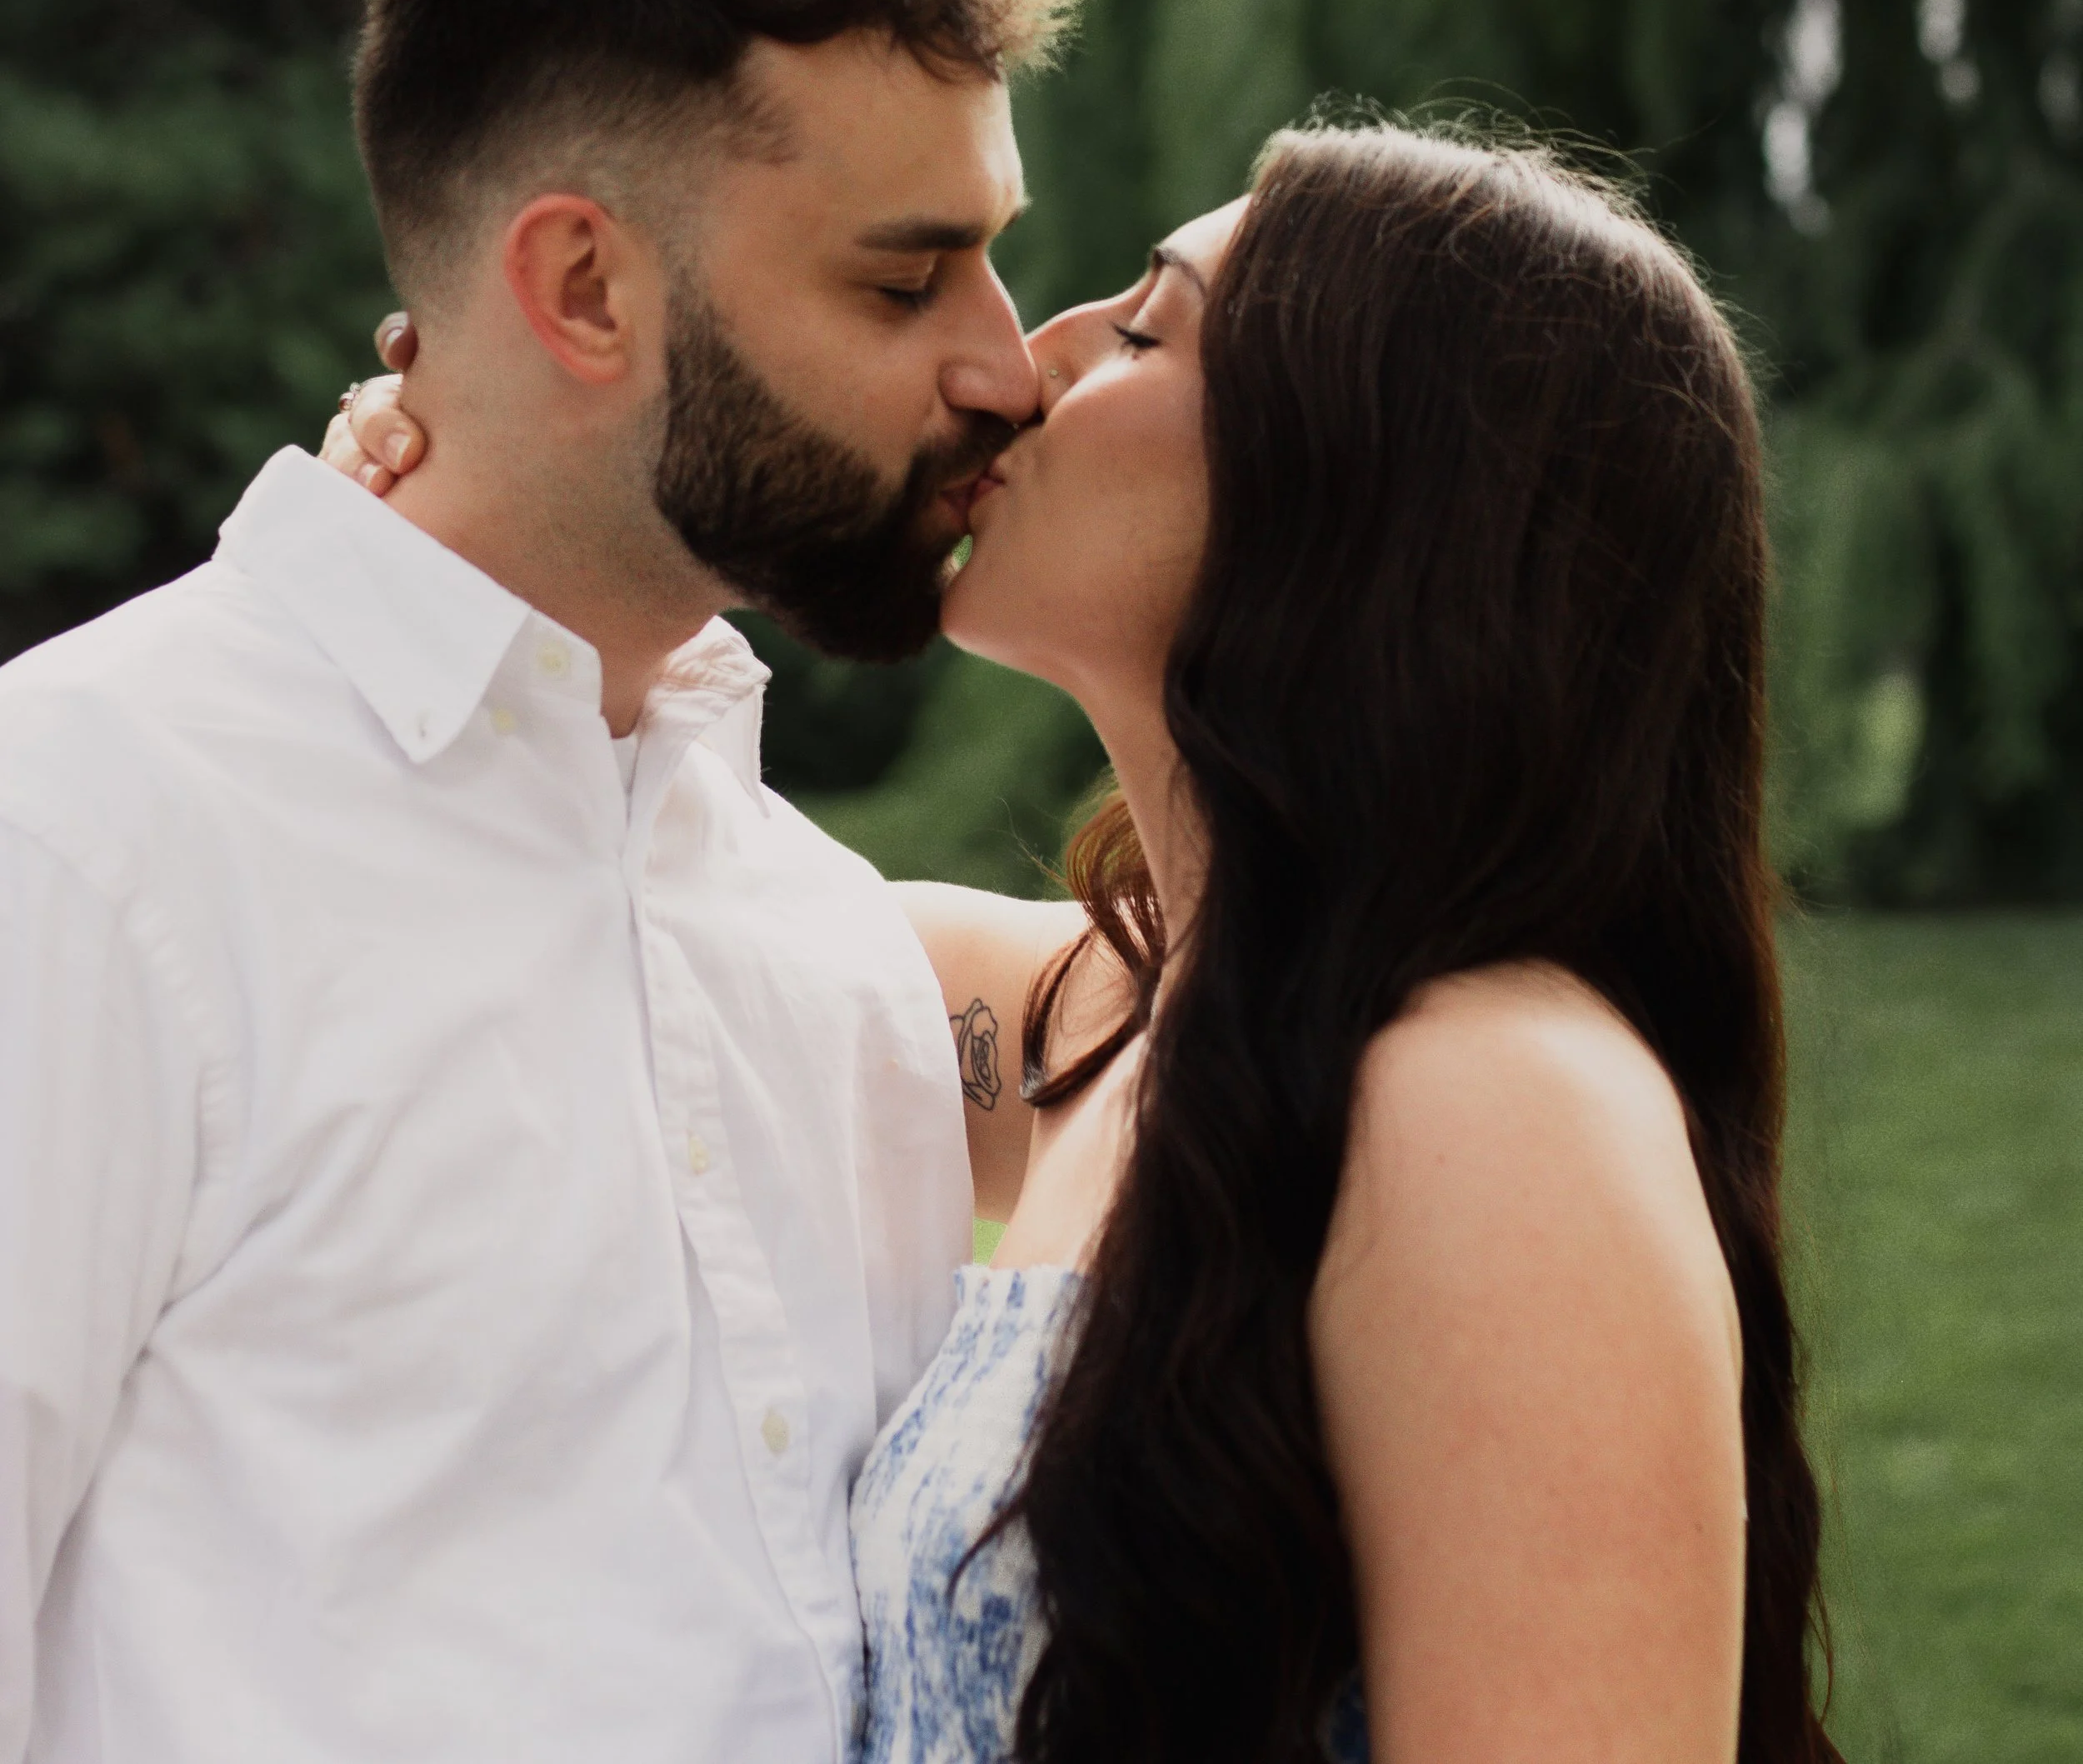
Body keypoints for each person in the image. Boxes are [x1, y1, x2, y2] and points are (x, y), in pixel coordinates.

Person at [347, 119, 1845, 1763]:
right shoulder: (1133, 1024)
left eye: (1143, 329)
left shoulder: (1490, 1104)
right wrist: (504, 502)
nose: (1021, 360)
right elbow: (661, 914)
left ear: (1358, 489)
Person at [0, 0, 1085, 1764]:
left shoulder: (810, 937)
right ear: (584, 288)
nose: (1007, 368)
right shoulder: (76, 847)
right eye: (899, 279)